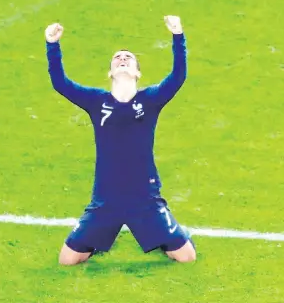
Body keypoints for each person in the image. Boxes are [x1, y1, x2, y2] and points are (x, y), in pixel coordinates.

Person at [45, 16, 196, 265]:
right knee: (67, 260)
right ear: (110, 72)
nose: (122, 59)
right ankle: (99, 240)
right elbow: (61, 84)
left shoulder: (150, 100)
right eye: (117, 58)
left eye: (128, 58)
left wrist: (178, 36)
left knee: (186, 257)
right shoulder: (96, 101)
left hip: (145, 198)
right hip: (106, 199)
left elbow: (178, 76)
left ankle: (166, 235)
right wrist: (52, 44)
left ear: (137, 73)